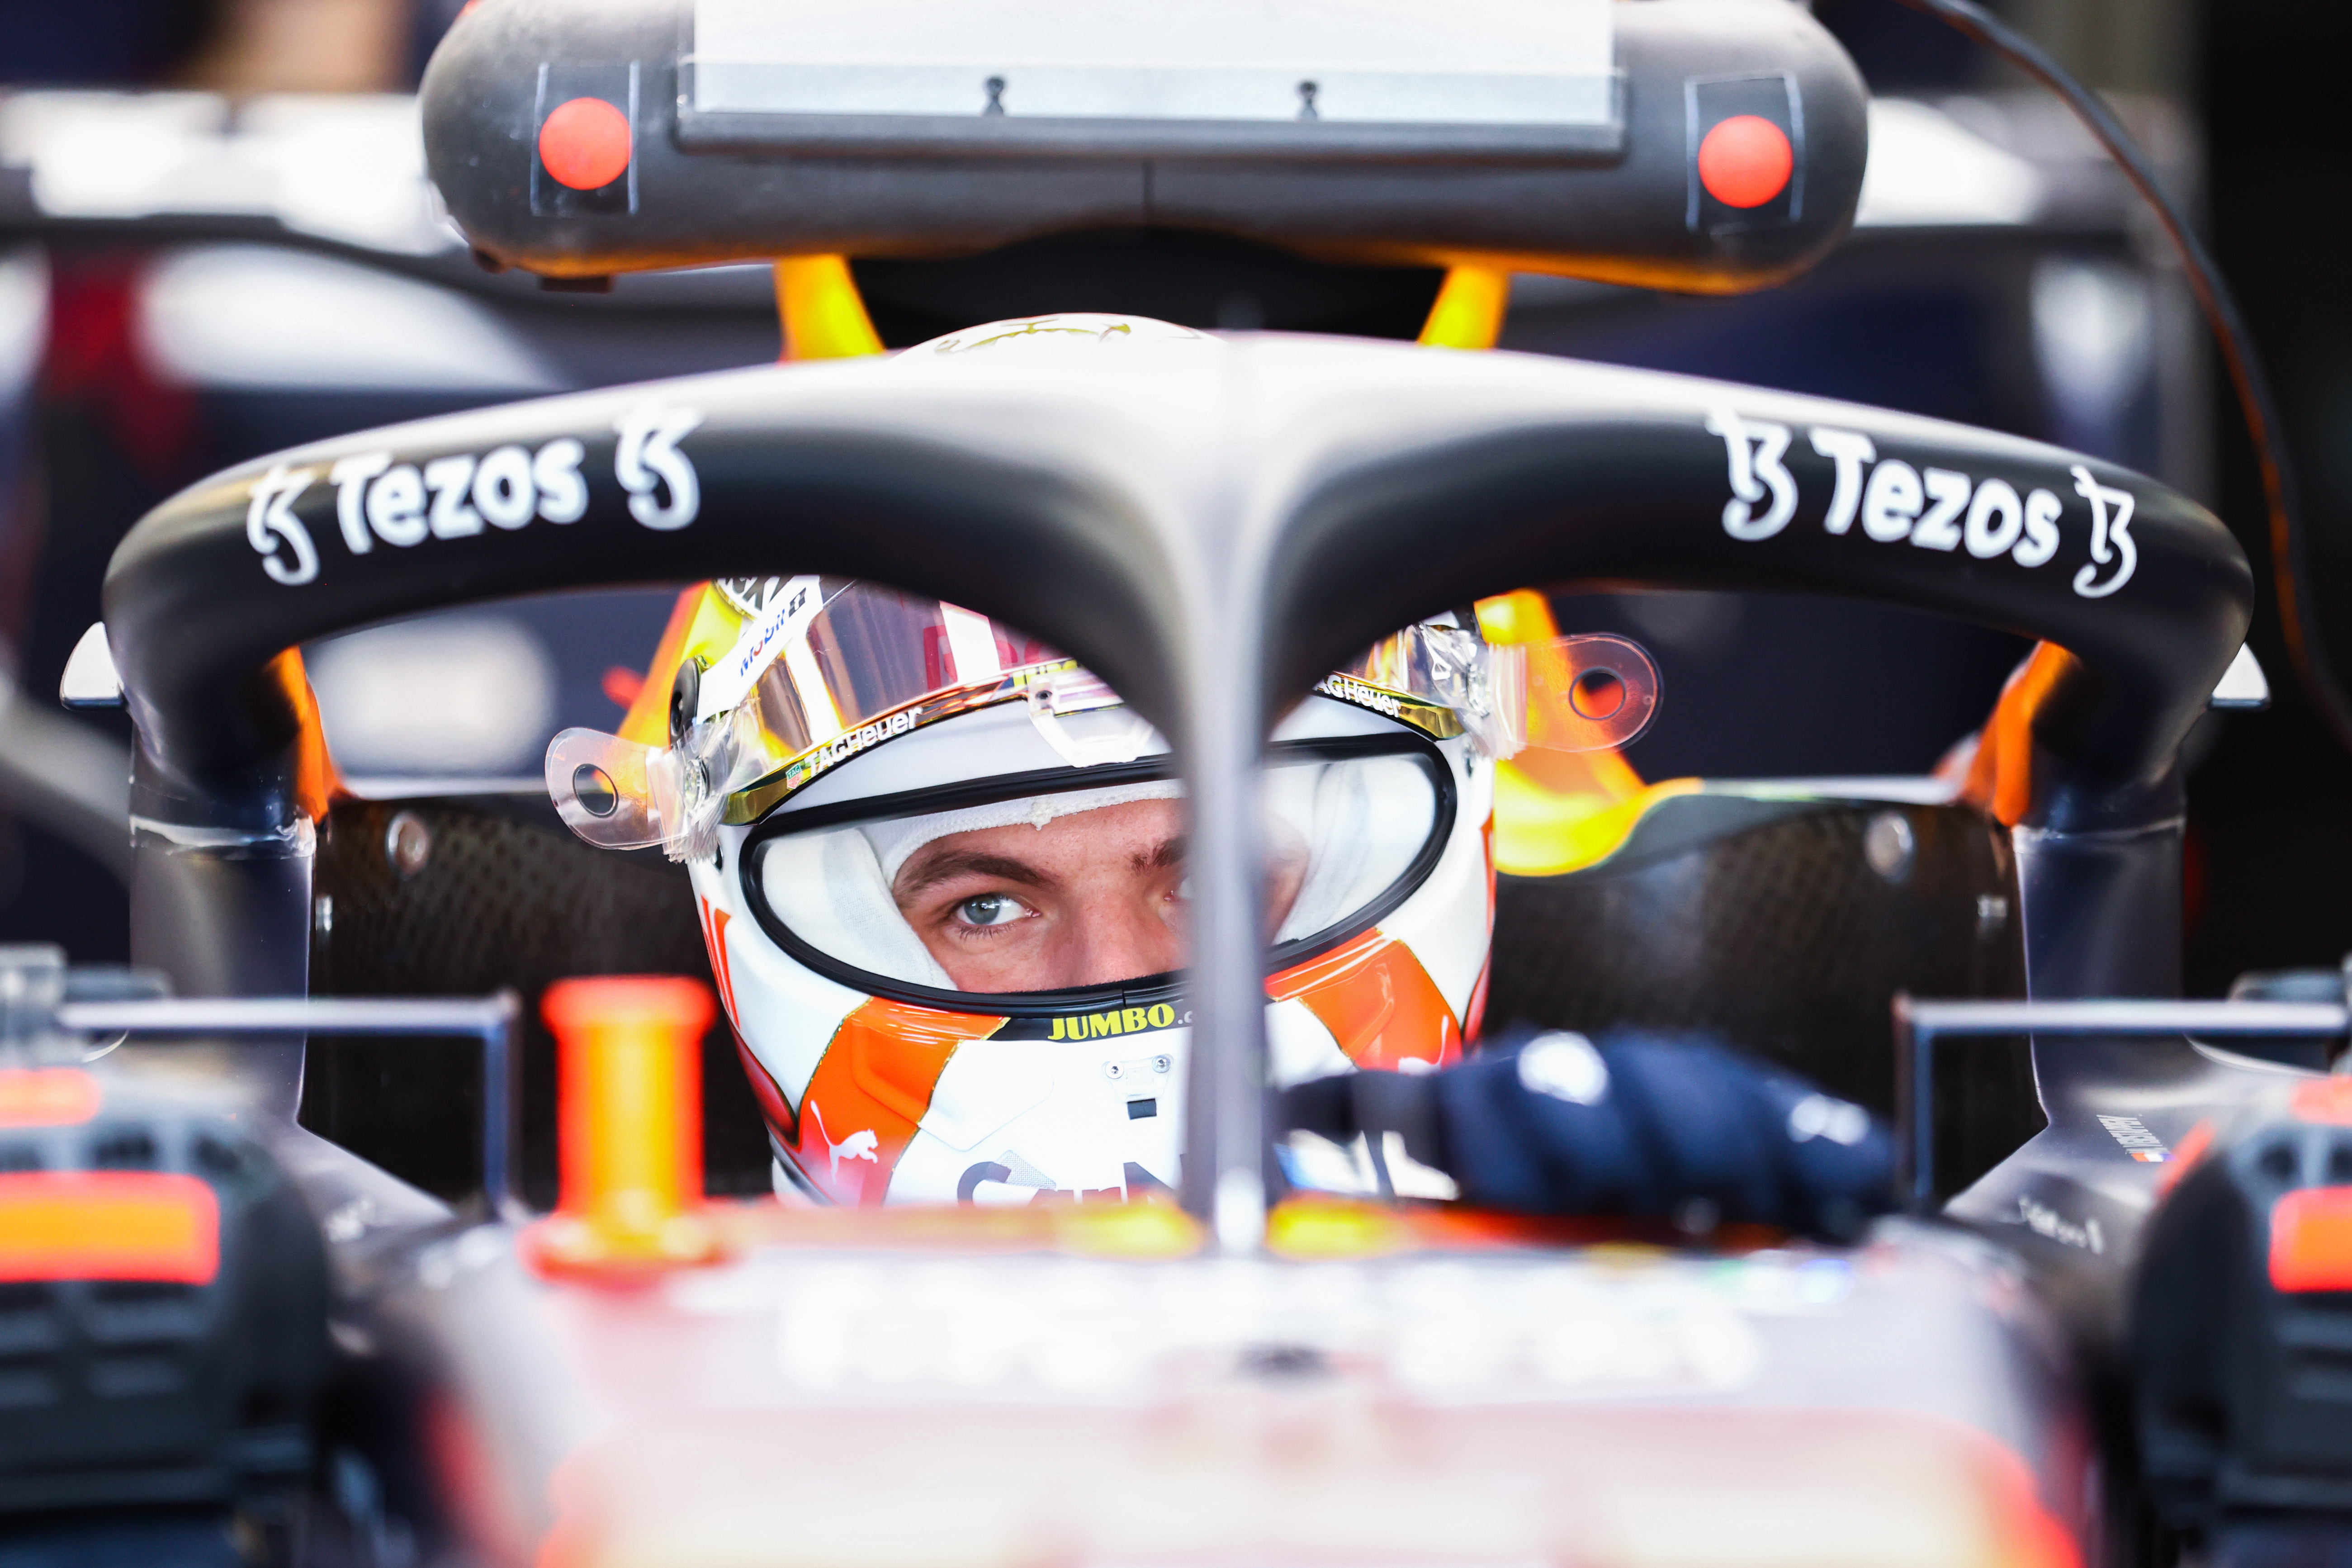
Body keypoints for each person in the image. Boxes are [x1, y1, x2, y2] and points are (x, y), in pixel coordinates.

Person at [544, 314, 1890, 1229]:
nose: (1116, 971)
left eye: (1216, 877)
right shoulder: (568, 1381)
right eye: (986, 906)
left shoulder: (1643, 1245)